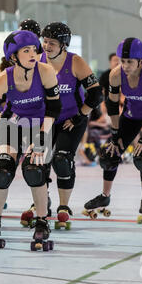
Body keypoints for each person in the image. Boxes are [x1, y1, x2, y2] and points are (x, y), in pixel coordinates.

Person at [0, 30, 61, 250]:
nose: (33, 54)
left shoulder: (46, 71)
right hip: (13, 125)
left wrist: (41, 137)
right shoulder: (3, 78)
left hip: (41, 125)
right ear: (13, 56)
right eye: (26, 50)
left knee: (34, 169)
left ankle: (42, 221)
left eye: (34, 49)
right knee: (1, 170)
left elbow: (54, 108)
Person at [83, 37, 142, 222]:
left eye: (129, 62)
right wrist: (115, 133)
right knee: (109, 154)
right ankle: (105, 195)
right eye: (123, 61)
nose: (125, 65)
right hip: (130, 116)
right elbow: (112, 105)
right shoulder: (115, 74)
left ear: (140, 61)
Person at [37, 22, 103, 228]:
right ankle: (41, 200)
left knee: (62, 160)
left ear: (64, 45)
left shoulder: (75, 62)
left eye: (52, 43)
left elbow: (96, 94)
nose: (47, 46)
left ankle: (63, 206)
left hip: (70, 120)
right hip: (46, 119)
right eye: (45, 41)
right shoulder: (37, 60)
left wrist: (78, 117)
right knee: (40, 161)